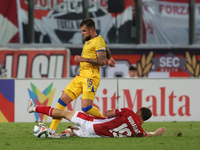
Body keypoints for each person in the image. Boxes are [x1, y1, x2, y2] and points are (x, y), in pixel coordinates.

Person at [48, 18, 116, 134]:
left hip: (91, 76)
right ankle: (50, 131)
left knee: (86, 108)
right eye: (82, 31)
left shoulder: (98, 41)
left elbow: (101, 61)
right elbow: (106, 49)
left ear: (92, 30)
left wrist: (83, 59)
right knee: (62, 100)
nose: (82, 33)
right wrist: (109, 58)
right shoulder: (93, 40)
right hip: (81, 76)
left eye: (84, 31)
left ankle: (106, 123)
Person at [27, 99, 166, 138]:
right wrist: (156, 133)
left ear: (139, 111)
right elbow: (147, 135)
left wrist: (111, 112)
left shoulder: (129, 112)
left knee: (65, 113)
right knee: (72, 129)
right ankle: (60, 136)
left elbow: (108, 113)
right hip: (99, 135)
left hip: (94, 125)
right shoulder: (139, 131)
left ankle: (33, 108)